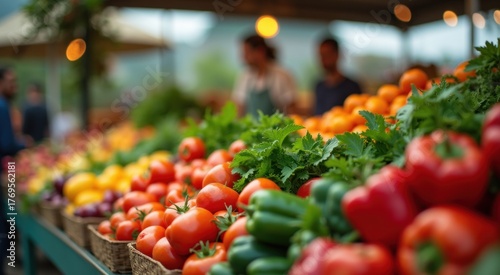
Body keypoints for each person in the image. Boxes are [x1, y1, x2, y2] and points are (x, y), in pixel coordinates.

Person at [233, 34, 298, 118]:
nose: (244, 57)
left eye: (247, 53)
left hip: (275, 130)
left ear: (260, 51)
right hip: (252, 129)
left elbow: (291, 109)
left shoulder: (281, 75)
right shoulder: (245, 76)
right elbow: (239, 107)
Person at [0, 67, 25, 275]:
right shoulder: (2, 106)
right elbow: (6, 144)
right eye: (11, 81)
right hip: (5, 167)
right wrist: (23, 144)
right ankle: (10, 257)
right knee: (8, 216)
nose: (14, 86)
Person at [314, 37, 362, 115]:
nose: (323, 60)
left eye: (327, 55)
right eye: (321, 55)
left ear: (337, 55)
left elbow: (358, 115)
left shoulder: (352, 86)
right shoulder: (318, 86)